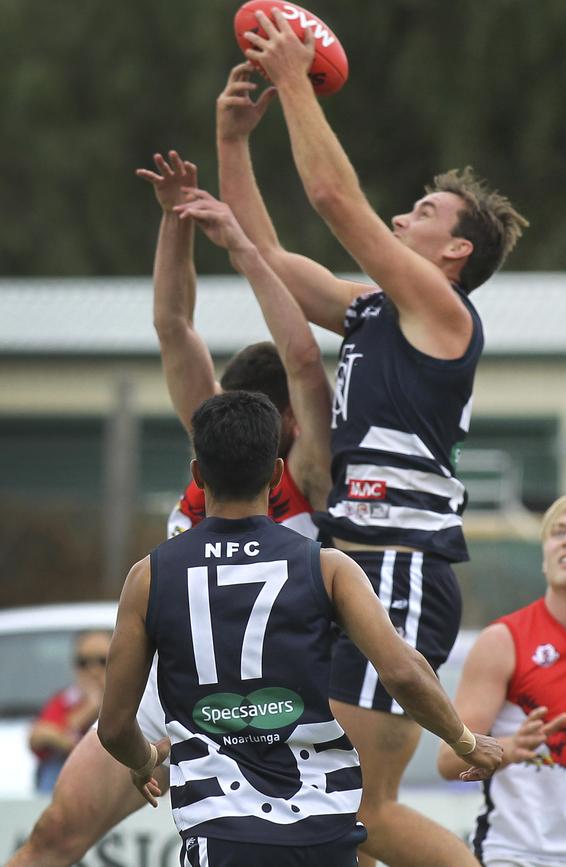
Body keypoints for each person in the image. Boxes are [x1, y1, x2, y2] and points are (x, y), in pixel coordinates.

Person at [210, 16, 529, 865]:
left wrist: (292, 79)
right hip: (356, 563)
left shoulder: (444, 313)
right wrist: (233, 139)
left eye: (423, 211)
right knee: (328, 807)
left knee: (364, 810)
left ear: (455, 251)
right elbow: (267, 254)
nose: (399, 213)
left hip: (399, 562)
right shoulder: (372, 309)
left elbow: (332, 199)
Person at [5, 152, 333, 867]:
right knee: (57, 833)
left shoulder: (307, 472)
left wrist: (241, 244)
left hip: (279, 708)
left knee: (346, 848)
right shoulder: (213, 448)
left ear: (287, 425)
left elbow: (305, 362)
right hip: (172, 695)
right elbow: (174, 324)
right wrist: (173, 221)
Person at [97, 390, 502, 867]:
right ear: (275, 474)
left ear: (197, 474)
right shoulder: (327, 566)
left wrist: (145, 761)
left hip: (221, 833)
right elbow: (405, 673)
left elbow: (114, 727)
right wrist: (465, 741)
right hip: (323, 832)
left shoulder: (149, 577)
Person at [437, 493, 566, 867]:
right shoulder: (502, 641)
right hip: (513, 855)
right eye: (558, 532)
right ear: (545, 556)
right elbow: (448, 762)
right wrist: (506, 748)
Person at [28, 630, 112, 793]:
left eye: (102, 661)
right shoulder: (65, 700)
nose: (93, 670)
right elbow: (37, 738)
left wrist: (60, 737)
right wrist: (89, 709)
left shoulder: (131, 699)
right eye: (83, 662)